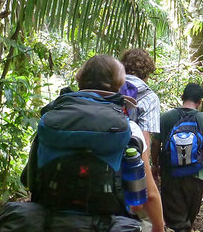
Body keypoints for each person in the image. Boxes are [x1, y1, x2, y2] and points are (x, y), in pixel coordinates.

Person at [19, 55, 163, 231]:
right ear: (119, 85)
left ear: (79, 80)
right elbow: (148, 197)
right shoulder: (129, 128)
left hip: (52, 223)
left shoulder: (50, 121)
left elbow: (29, 180)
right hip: (109, 225)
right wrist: (159, 228)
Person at [149, 83, 203, 232]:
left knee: (175, 220)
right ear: (199, 101)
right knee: (190, 216)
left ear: (182, 97)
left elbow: (155, 144)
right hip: (196, 175)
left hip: (170, 174)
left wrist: (155, 165)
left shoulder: (165, 117)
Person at [118, 48, 166, 231]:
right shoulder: (149, 97)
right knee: (146, 220)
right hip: (133, 166)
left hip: (105, 167)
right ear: (148, 71)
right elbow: (144, 140)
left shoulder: (110, 89)